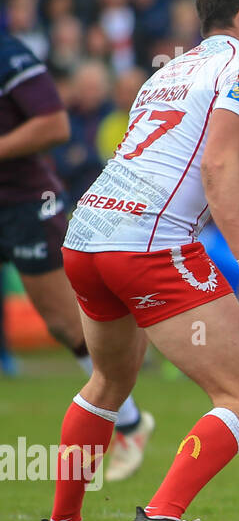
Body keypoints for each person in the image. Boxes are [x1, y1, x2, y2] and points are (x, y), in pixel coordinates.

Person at [36, 0, 239, 521]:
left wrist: (229, 195)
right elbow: (214, 166)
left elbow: (168, 161)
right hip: (147, 246)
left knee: (107, 382)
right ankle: (161, 519)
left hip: (88, 236)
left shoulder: (171, 69)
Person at [0, 31, 154, 481]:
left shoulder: (9, 54)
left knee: (65, 323)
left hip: (23, 203)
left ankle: (128, 421)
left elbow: (55, 124)